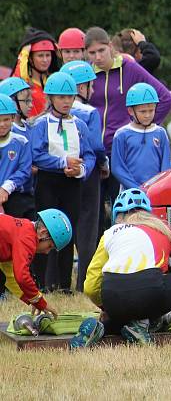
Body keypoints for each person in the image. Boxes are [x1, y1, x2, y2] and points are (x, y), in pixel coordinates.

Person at [79, 189, 171, 346]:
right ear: (148, 211)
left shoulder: (109, 233)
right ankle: (145, 323)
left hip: (112, 296)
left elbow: (90, 285)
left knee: (125, 311)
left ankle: (101, 328)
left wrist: (105, 307)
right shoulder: (162, 229)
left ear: (117, 215)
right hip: (148, 292)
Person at [86, 26, 171, 231]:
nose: (97, 57)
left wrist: (144, 128)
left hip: (124, 151)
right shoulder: (87, 74)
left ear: (110, 46)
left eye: (101, 50)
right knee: (95, 217)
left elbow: (166, 98)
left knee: (127, 214)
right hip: (94, 155)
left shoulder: (129, 68)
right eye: (91, 53)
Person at [30, 72, 96, 292]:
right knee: (45, 230)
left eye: (70, 97)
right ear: (50, 98)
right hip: (48, 181)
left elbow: (90, 154)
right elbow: (36, 154)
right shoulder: (41, 124)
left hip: (72, 183)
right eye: (61, 97)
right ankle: (43, 284)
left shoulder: (80, 124)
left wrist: (81, 170)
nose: (67, 101)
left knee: (68, 230)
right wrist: (62, 162)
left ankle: (65, 285)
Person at [60, 60, 108, 291]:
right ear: (81, 87)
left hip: (61, 174)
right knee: (87, 230)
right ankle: (84, 283)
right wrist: (103, 163)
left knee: (62, 227)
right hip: (87, 174)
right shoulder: (89, 112)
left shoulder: (54, 112)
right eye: (91, 84)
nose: (94, 89)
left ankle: (57, 282)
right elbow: (97, 146)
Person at [0, 208, 72, 316]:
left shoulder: (22, 230)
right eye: (50, 246)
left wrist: (32, 298)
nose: (47, 252)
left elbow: (10, 276)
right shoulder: (27, 238)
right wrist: (40, 302)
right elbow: (22, 276)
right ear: (43, 233)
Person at [111, 83, 171, 190]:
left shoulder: (160, 133)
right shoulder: (122, 134)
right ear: (130, 111)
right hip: (130, 193)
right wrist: (136, 189)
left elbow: (165, 166)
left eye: (151, 110)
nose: (147, 115)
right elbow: (117, 168)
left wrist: (158, 187)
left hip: (156, 191)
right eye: (143, 111)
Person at [0, 78, 37, 221]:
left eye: (6, 119)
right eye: (26, 101)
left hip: (22, 195)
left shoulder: (23, 138)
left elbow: (24, 168)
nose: (31, 105)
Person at [12, 28, 62, 117]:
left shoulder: (54, 80)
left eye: (48, 55)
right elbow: (17, 79)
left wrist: (62, 55)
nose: (45, 60)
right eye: (40, 56)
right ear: (30, 59)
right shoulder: (24, 82)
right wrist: (25, 52)